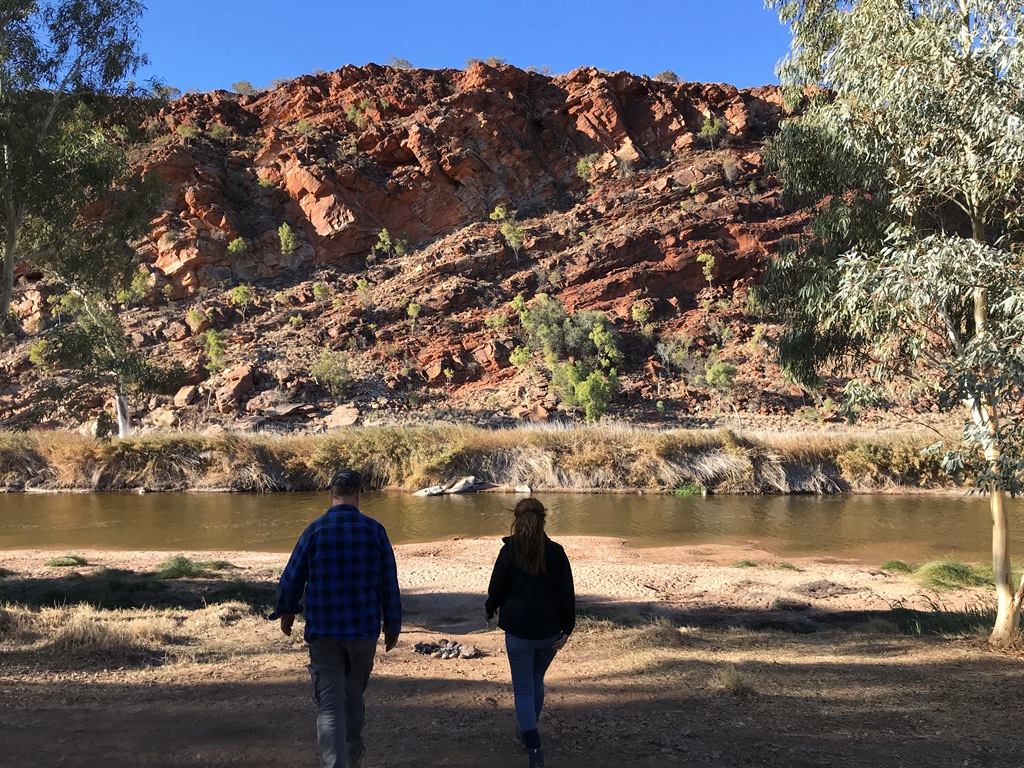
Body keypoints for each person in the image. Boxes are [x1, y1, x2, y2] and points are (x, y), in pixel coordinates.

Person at [270, 468, 402, 768]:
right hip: (363, 631)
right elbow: (388, 583)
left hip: (324, 631)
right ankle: (353, 759)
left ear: (331, 494)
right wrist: (393, 625)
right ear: (359, 493)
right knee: (353, 697)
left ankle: (336, 764)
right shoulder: (375, 530)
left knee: (329, 706)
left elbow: (292, 577)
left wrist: (287, 611)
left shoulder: (314, 530)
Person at [485, 498, 575, 768]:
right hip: (550, 633)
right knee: (536, 679)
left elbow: (496, 589)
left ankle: (533, 745)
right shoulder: (556, 552)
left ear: (516, 518)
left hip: (519, 633)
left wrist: (490, 609)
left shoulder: (509, 551)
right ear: (543, 520)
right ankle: (529, 732)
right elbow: (567, 594)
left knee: (524, 687)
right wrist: (567, 628)